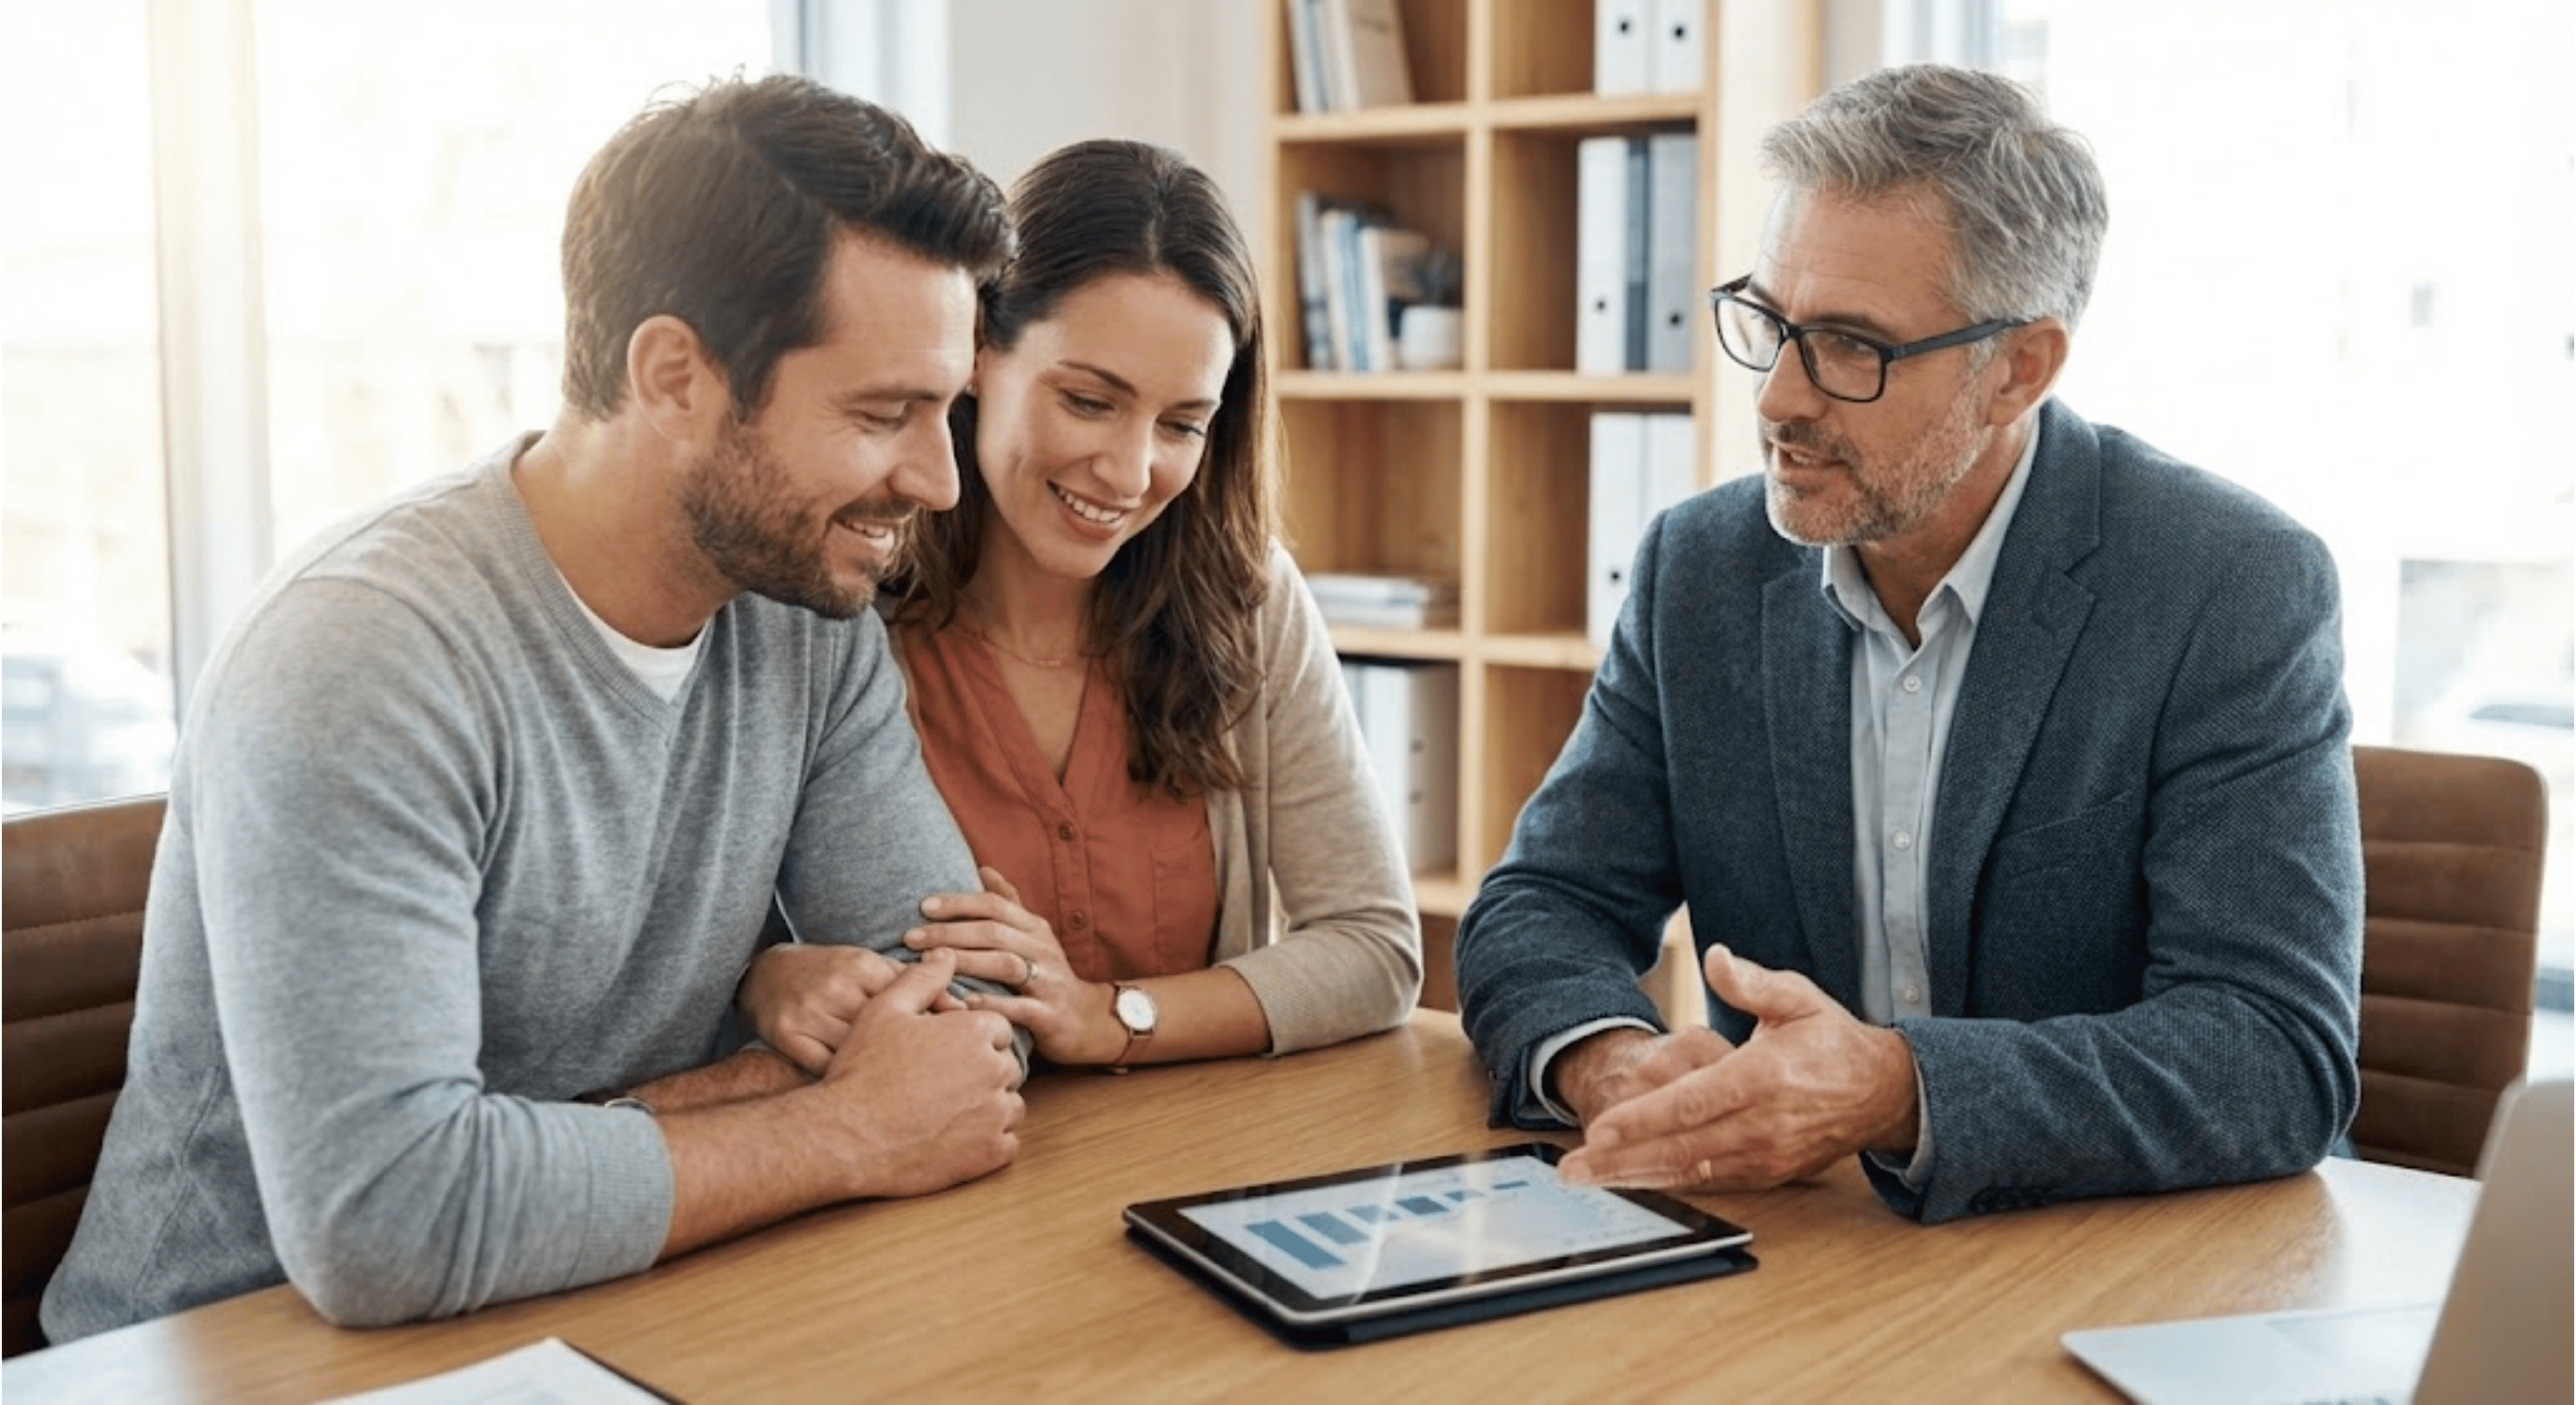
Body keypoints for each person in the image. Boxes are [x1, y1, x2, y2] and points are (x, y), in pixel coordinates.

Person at [43, 74, 1030, 1340]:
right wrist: (838, 1123)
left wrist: (577, 1144)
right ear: (675, 376)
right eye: (882, 414)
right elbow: (388, 1222)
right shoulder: (366, 658)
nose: (942, 482)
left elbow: (967, 1025)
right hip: (237, 1353)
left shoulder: (806, 612)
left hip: (616, 1306)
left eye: (946, 411)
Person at [1454, 63, 2362, 1223]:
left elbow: (2273, 1052)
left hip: (2106, 1259)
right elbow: (1543, 901)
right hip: (1799, 1253)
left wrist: (1896, 1090)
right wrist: (1609, 1059)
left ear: (2016, 370)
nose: (1778, 396)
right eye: (1770, 322)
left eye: (1846, 346)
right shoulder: (1700, 569)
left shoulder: (2226, 586)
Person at [743, 139, 1422, 1074]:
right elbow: (715, 937)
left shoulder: (1246, 602)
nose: (1131, 471)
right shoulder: (835, 610)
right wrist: (764, 976)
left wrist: (1113, 1016)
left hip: (1191, 1157)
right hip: (931, 1162)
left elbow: (1374, 950)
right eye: (1090, 401)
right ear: (979, 353)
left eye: (1182, 423)